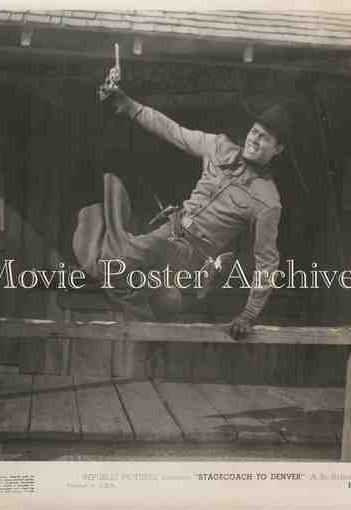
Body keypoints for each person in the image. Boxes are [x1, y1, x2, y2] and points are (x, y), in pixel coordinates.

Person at [73, 81, 294, 340]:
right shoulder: (219, 147)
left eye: (265, 138)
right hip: (168, 230)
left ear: (277, 149)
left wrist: (248, 314)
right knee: (120, 272)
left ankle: (163, 296)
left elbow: (267, 263)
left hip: (191, 255)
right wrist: (127, 104)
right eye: (255, 132)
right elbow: (174, 131)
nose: (254, 140)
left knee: (139, 271)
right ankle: (156, 296)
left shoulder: (268, 202)